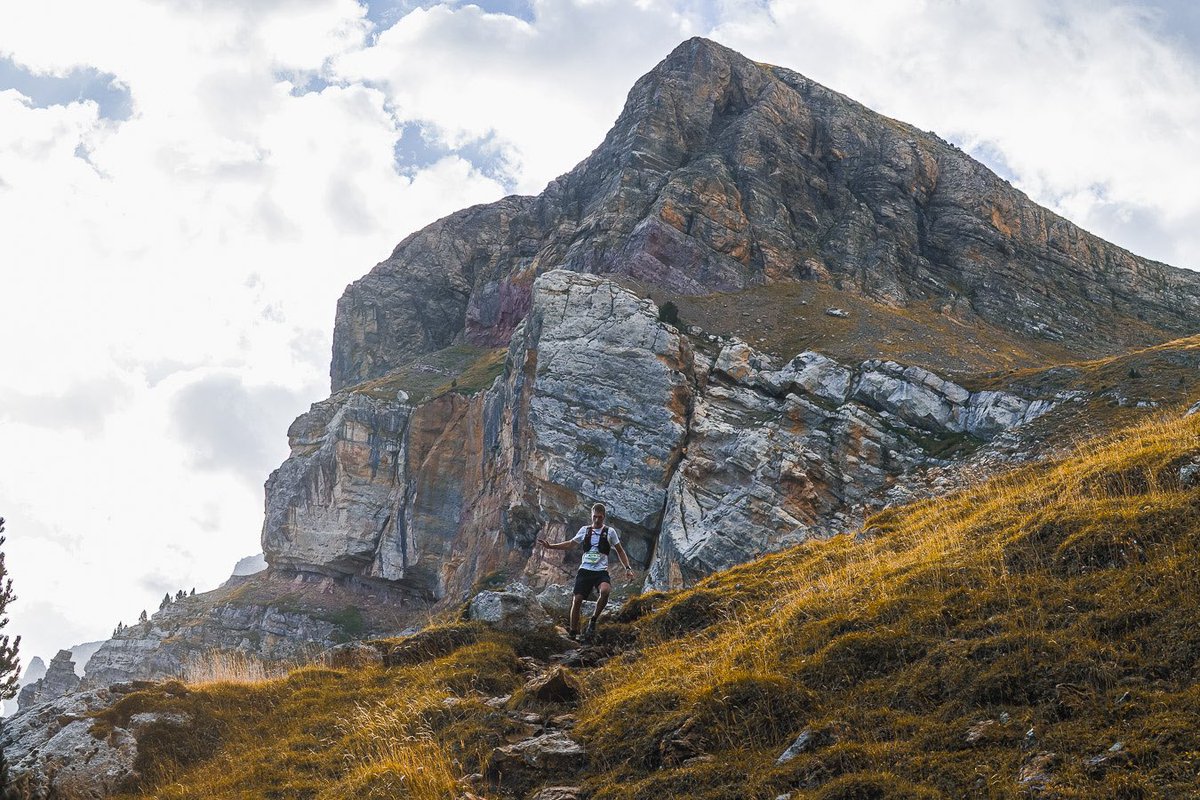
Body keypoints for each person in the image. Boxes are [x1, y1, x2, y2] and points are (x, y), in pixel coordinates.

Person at [538, 502, 633, 641]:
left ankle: (593, 620)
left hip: (600, 571)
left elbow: (620, 550)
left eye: (600, 517)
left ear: (604, 517)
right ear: (591, 516)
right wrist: (551, 546)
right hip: (585, 570)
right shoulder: (585, 530)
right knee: (577, 600)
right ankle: (573, 632)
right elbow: (571, 544)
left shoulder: (610, 532)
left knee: (605, 591)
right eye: (595, 517)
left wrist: (628, 569)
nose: (597, 520)